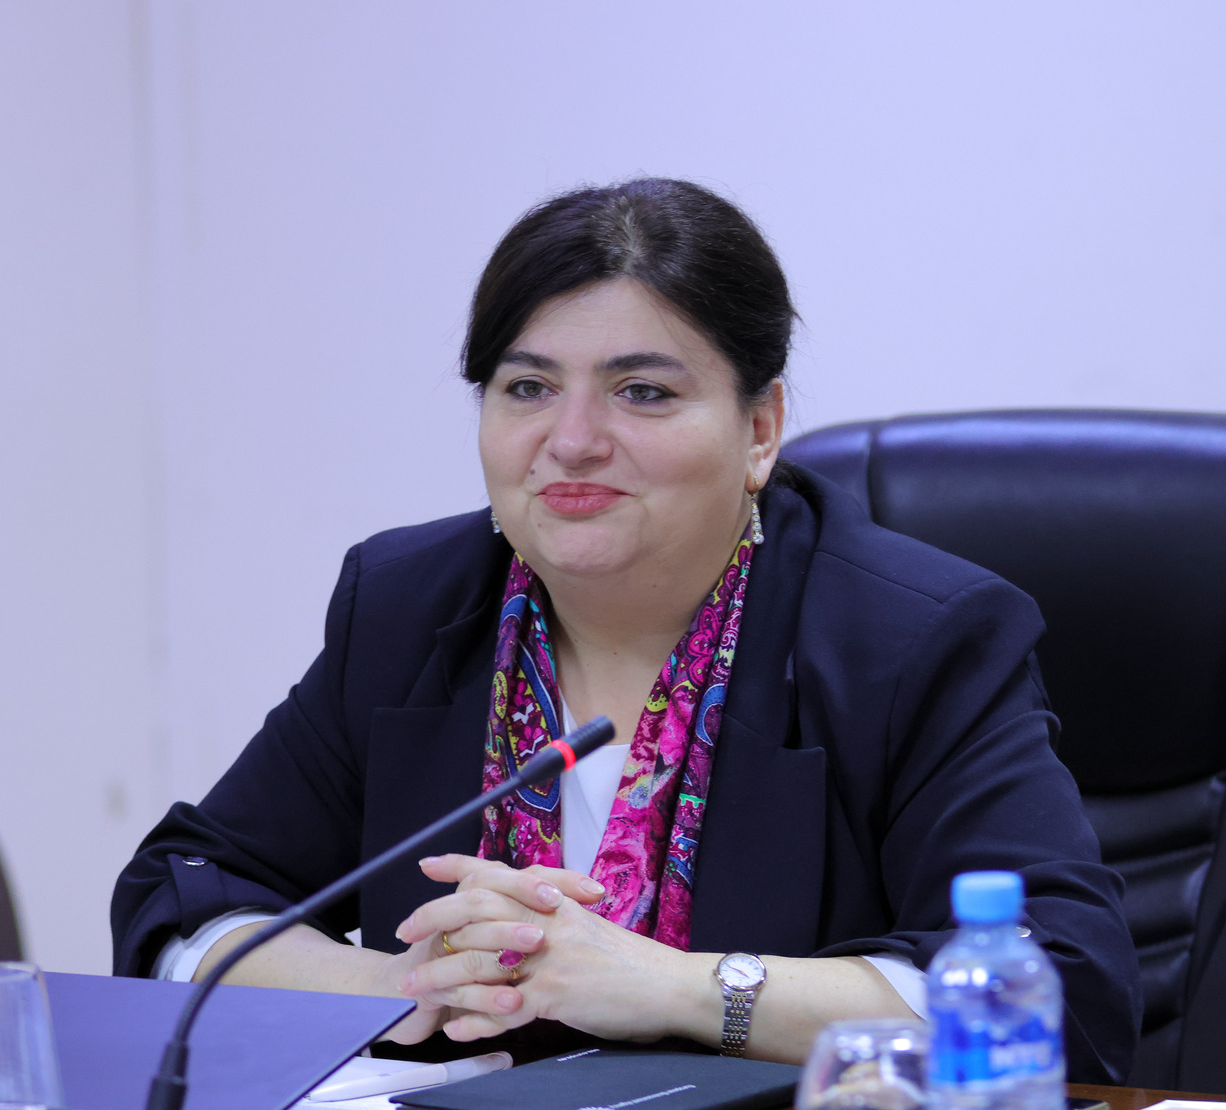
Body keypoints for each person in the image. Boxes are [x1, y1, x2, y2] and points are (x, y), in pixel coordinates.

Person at [111, 178, 1140, 1080]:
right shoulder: (411, 607)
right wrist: (396, 985)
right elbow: (182, 899)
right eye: (527, 388)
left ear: (760, 430)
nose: (570, 442)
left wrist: (677, 987)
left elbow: (1061, 992)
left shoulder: (910, 640)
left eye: (641, 392)